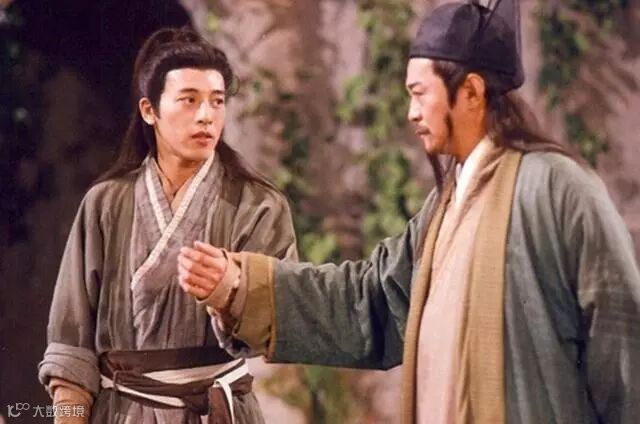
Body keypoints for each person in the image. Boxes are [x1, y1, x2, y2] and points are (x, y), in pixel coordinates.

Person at [177, 2, 640, 424]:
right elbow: (371, 302)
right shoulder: (446, 204)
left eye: (420, 94)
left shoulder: (558, 189)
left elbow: (621, 342)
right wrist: (240, 287)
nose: (411, 113)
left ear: (471, 93)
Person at [38, 27, 297, 424]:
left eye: (217, 101)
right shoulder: (106, 204)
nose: (206, 115)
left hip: (217, 411)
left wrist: (231, 293)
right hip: (123, 412)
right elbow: (70, 347)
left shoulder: (259, 205)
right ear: (149, 110)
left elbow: (284, 319)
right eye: (189, 100)